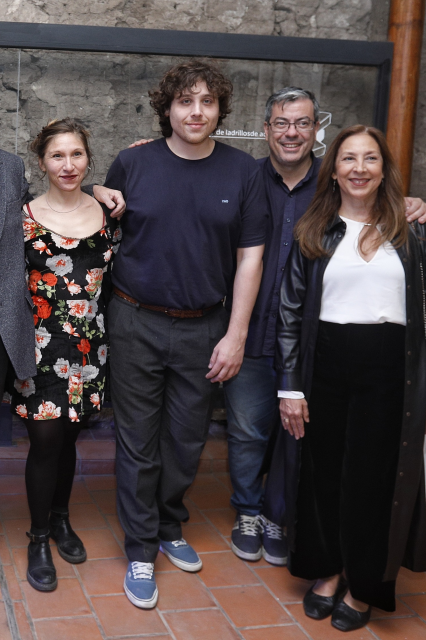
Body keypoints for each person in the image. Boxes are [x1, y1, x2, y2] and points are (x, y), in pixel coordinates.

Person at [224, 87, 426, 565]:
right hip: (252, 331)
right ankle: (249, 512)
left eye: (302, 122)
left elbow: (379, 206)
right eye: (282, 123)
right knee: (247, 431)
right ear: (266, 129)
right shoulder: (245, 177)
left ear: (317, 128)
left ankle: (281, 516)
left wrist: (411, 203)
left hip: (314, 341)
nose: (292, 132)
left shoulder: (338, 179)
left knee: (300, 435)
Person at [101, 59, 269, 610]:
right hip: (135, 320)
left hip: (205, 327)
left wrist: (236, 335)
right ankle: (140, 546)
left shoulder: (242, 172)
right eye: (185, 101)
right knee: (138, 439)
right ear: (167, 108)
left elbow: (250, 259)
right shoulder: (133, 162)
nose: (196, 112)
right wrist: (99, 188)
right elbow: (98, 218)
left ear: (220, 111)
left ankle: (169, 523)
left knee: (186, 439)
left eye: (207, 102)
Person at [277, 124, 426, 631]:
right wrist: (290, 386)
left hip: (390, 371)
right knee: (324, 475)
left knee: (374, 480)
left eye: (370, 158)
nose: (359, 168)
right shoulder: (314, 230)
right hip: (325, 365)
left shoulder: (415, 231)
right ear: (333, 170)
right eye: (349, 158)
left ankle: (363, 583)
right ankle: (329, 569)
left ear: (384, 170)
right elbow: (289, 313)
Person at [12, 118, 121, 592]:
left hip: (90, 349)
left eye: (76, 154)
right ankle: (38, 537)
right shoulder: (22, 217)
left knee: (70, 439)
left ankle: (60, 518)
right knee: (45, 441)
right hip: (40, 350)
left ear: (88, 159)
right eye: (57, 155)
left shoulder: (109, 213)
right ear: (42, 162)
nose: (68, 164)